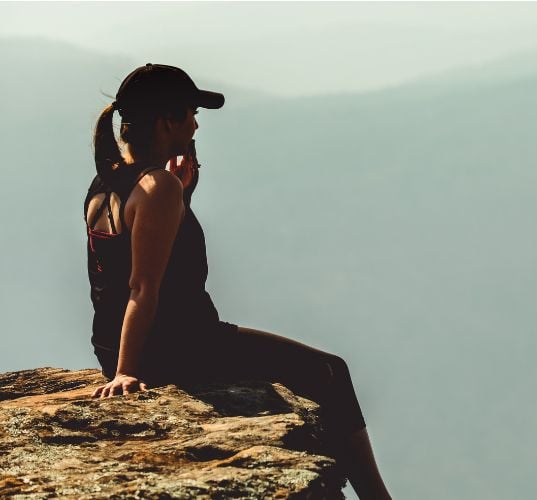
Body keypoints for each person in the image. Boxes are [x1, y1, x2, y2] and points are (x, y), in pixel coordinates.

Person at [84, 63, 392, 499]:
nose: (195, 124)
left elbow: (115, 275)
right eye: (191, 113)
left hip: (119, 343)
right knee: (330, 372)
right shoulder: (157, 188)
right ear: (167, 122)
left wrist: (183, 198)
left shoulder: (107, 182)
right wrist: (127, 372)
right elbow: (141, 287)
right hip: (181, 346)